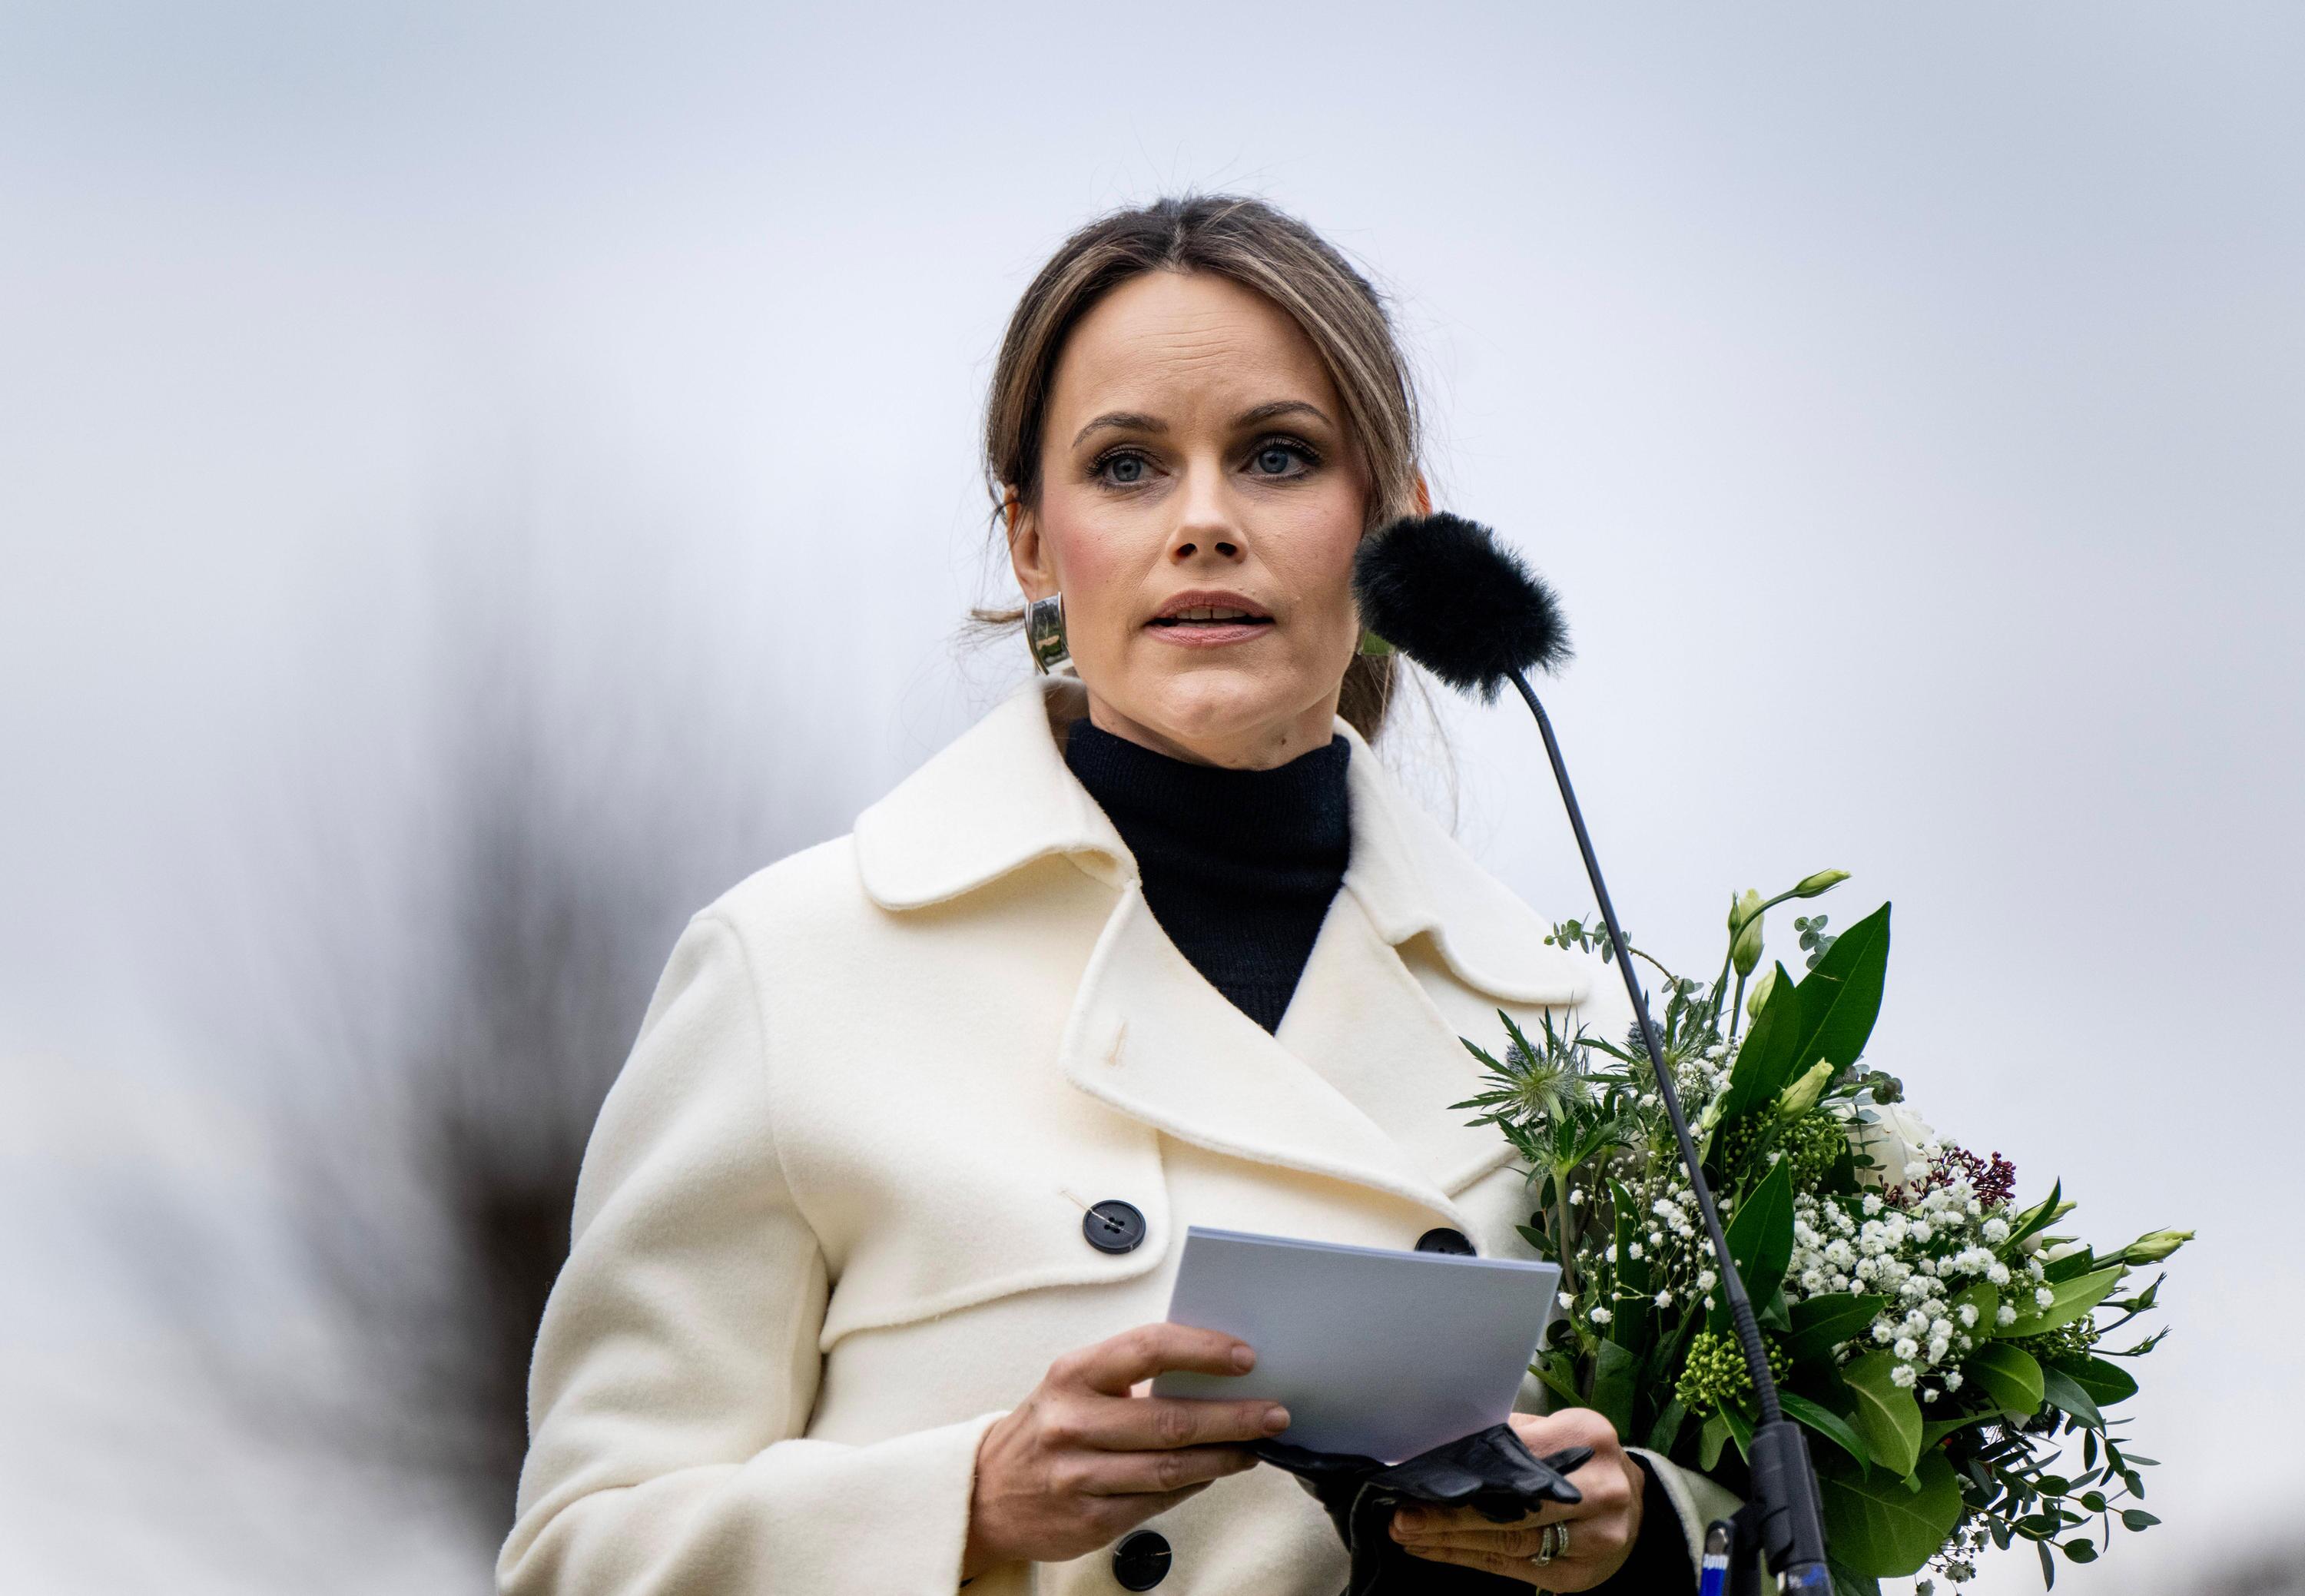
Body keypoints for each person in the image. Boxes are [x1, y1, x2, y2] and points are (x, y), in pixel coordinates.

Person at [499, 195, 1736, 1596]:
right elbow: (575, 1560)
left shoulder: (1579, 1025)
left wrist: (1635, 1536)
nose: (1204, 522)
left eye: (1278, 456)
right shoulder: (792, 970)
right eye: (1128, 466)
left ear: (1396, 525)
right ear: (1032, 540)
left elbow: (1773, 1521)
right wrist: (972, 1501)